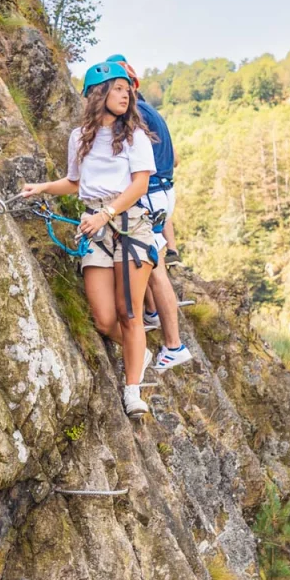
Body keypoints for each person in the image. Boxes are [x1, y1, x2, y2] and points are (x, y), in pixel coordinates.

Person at [22, 61, 156, 418]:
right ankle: (138, 353)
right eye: (117, 89)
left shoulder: (135, 137)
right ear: (98, 94)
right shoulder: (79, 137)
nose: (126, 95)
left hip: (128, 227)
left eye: (128, 90)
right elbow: (75, 182)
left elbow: (139, 184)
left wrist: (106, 214)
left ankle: (133, 391)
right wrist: (43, 189)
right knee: (103, 318)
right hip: (95, 228)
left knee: (130, 313)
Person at [106, 55, 191, 373]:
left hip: (152, 194)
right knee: (152, 260)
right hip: (165, 190)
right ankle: (154, 314)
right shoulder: (152, 113)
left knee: (154, 269)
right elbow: (177, 158)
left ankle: (173, 345)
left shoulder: (134, 115)